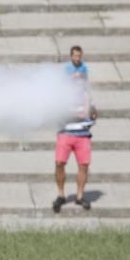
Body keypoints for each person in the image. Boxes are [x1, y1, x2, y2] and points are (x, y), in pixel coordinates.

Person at [54, 46, 98, 212]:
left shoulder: (87, 95)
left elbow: (93, 114)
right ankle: (61, 195)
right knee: (59, 163)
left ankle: (79, 196)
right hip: (66, 133)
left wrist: (92, 115)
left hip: (82, 135)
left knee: (84, 165)